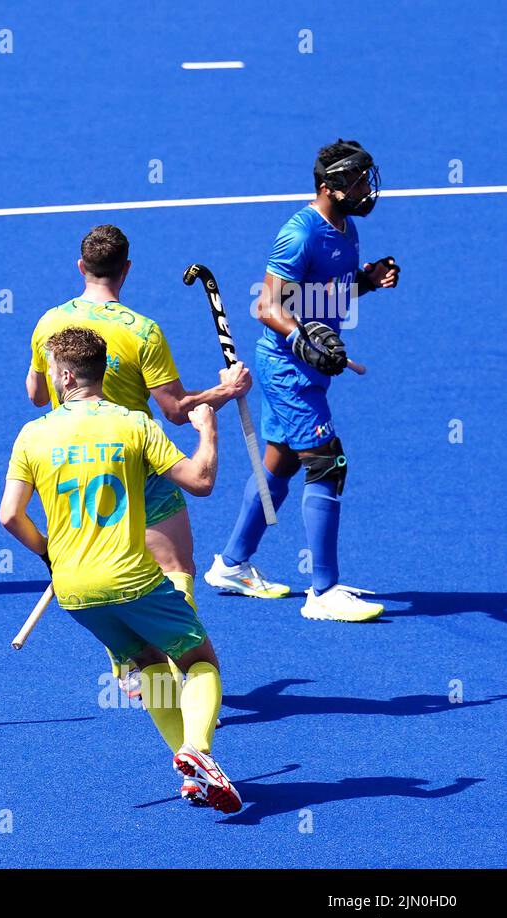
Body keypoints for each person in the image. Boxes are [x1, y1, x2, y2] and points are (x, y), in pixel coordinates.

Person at [2, 326, 242, 812]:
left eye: (50, 369)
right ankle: (198, 750)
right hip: (132, 579)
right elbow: (201, 481)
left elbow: (10, 516)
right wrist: (208, 430)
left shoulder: (33, 434)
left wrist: (49, 553)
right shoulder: (134, 425)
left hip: (73, 592)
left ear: (66, 376)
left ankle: (192, 771)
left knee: (151, 664)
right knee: (200, 661)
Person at [28, 224, 251, 692]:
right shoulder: (143, 331)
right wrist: (224, 391)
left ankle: (129, 664)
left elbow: (34, 394)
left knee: (99, 568)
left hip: (73, 464)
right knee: (174, 569)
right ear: (127, 269)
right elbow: (173, 411)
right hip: (139, 462)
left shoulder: (50, 323)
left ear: (80, 266)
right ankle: (178, 664)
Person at [205, 140, 400, 622]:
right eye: (356, 180)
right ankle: (324, 591)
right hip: (288, 370)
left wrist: (367, 282)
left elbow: (323, 296)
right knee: (328, 463)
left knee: (281, 462)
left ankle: (231, 564)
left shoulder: (346, 228)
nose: (365, 188)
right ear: (328, 186)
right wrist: (304, 341)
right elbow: (267, 305)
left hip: (309, 367)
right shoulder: (299, 234)